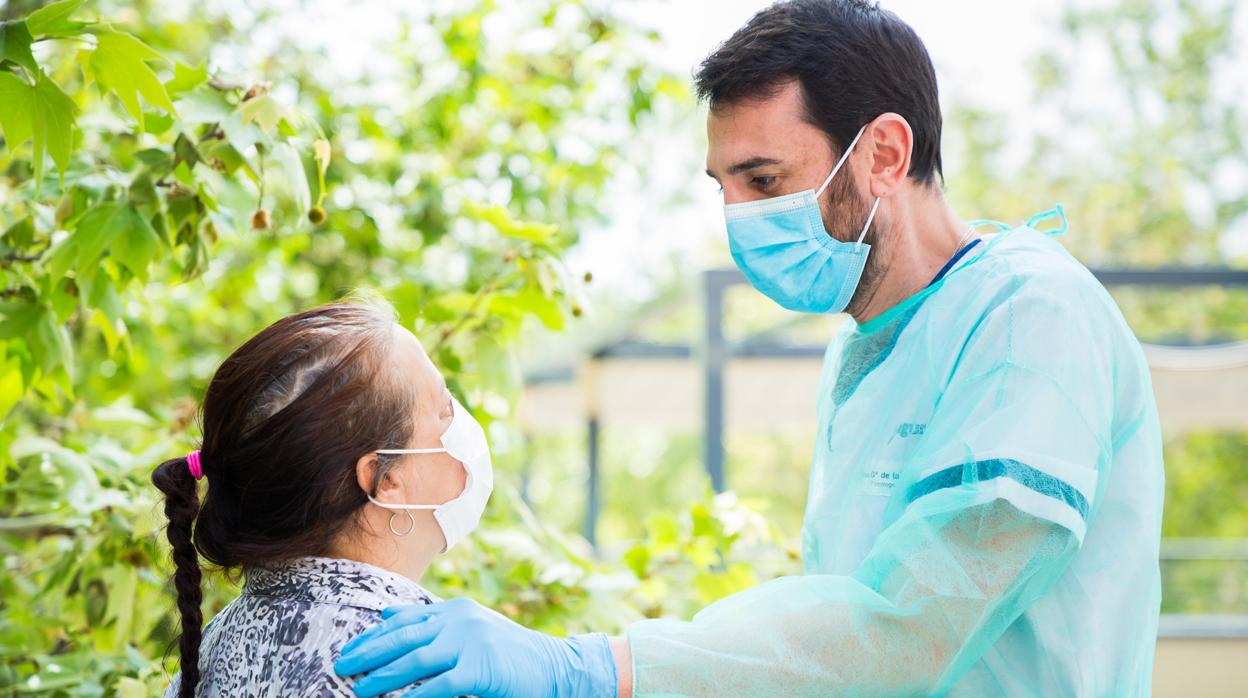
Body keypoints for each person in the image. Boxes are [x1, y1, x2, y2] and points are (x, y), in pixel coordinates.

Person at [333, 1, 1165, 696]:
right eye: (723, 187)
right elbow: (831, 636)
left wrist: (587, 667)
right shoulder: (866, 350)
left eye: (764, 181)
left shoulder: (1029, 319)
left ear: (883, 154)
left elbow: (912, 626)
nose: (737, 220)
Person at [152, 298, 494, 697]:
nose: (460, 418)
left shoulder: (214, 646)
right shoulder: (419, 670)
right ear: (384, 480)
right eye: (442, 407)